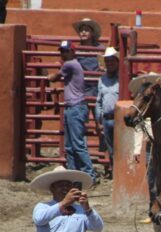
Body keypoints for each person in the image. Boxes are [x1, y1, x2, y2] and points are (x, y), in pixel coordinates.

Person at [49, 41, 98, 184]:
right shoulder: (73, 64)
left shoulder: (70, 64)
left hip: (75, 107)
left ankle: (89, 175)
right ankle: (75, 175)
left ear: (72, 52)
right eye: (61, 51)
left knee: (76, 144)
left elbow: (54, 77)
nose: (63, 54)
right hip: (73, 107)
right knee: (71, 145)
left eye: (65, 51)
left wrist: (47, 76)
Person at [95, 47, 119, 179]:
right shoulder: (101, 80)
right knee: (111, 150)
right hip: (106, 119)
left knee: (120, 149)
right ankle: (115, 175)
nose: (109, 64)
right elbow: (99, 101)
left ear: (117, 62)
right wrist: (98, 121)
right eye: (107, 61)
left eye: (112, 61)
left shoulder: (122, 79)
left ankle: (119, 175)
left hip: (118, 119)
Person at [72, 18, 105, 99]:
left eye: (86, 30)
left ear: (92, 33)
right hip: (82, 85)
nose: (83, 32)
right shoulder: (76, 49)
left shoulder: (100, 48)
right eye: (81, 30)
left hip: (97, 84)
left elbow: (104, 66)